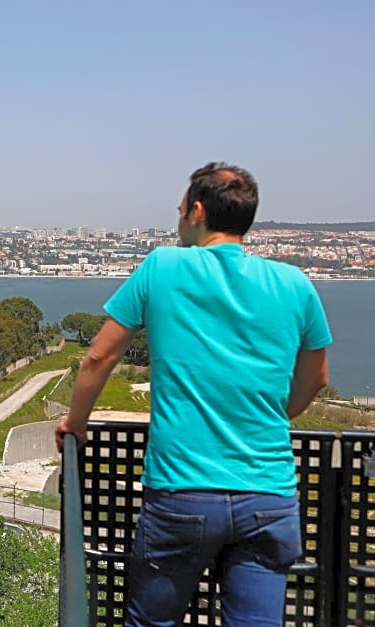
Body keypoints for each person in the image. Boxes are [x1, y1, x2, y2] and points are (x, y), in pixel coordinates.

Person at [55, 162, 331, 626]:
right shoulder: (294, 283)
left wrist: (76, 424)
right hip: (268, 494)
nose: (178, 217)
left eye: (180, 208)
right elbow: (316, 379)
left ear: (197, 211)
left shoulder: (163, 266)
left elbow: (97, 358)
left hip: (182, 491)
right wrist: (275, 414)